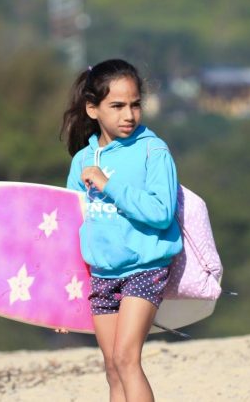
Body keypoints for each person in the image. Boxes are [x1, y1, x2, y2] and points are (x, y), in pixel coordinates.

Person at [60, 59, 182, 402]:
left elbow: (161, 213)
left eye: (135, 105)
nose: (129, 115)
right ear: (93, 109)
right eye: (117, 106)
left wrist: (108, 185)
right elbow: (73, 226)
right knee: (112, 367)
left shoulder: (152, 151)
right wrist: (58, 299)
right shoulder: (82, 160)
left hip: (145, 267)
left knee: (128, 359)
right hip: (102, 271)